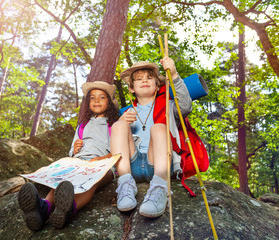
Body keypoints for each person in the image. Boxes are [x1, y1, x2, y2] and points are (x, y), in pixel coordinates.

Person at [18, 81, 119, 231]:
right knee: (63, 181)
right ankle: (43, 209)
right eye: (92, 98)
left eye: (102, 97)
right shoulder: (83, 126)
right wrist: (76, 149)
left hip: (104, 164)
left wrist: (102, 159)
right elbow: (72, 151)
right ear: (88, 102)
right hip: (80, 162)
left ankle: (69, 209)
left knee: (91, 180)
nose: (96, 100)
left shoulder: (114, 125)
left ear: (109, 103)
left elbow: (120, 150)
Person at [111, 58, 192, 218]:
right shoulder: (126, 113)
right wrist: (121, 121)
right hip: (131, 165)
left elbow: (185, 106)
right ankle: (126, 185)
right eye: (139, 79)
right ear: (131, 88)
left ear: (157, 86)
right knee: (118, 126)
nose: (144, 81)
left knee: (159, 127)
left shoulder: (168, 106)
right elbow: (116, 144)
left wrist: (174, 74)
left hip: (157, 162)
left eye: (149, 78)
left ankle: (160, 187)